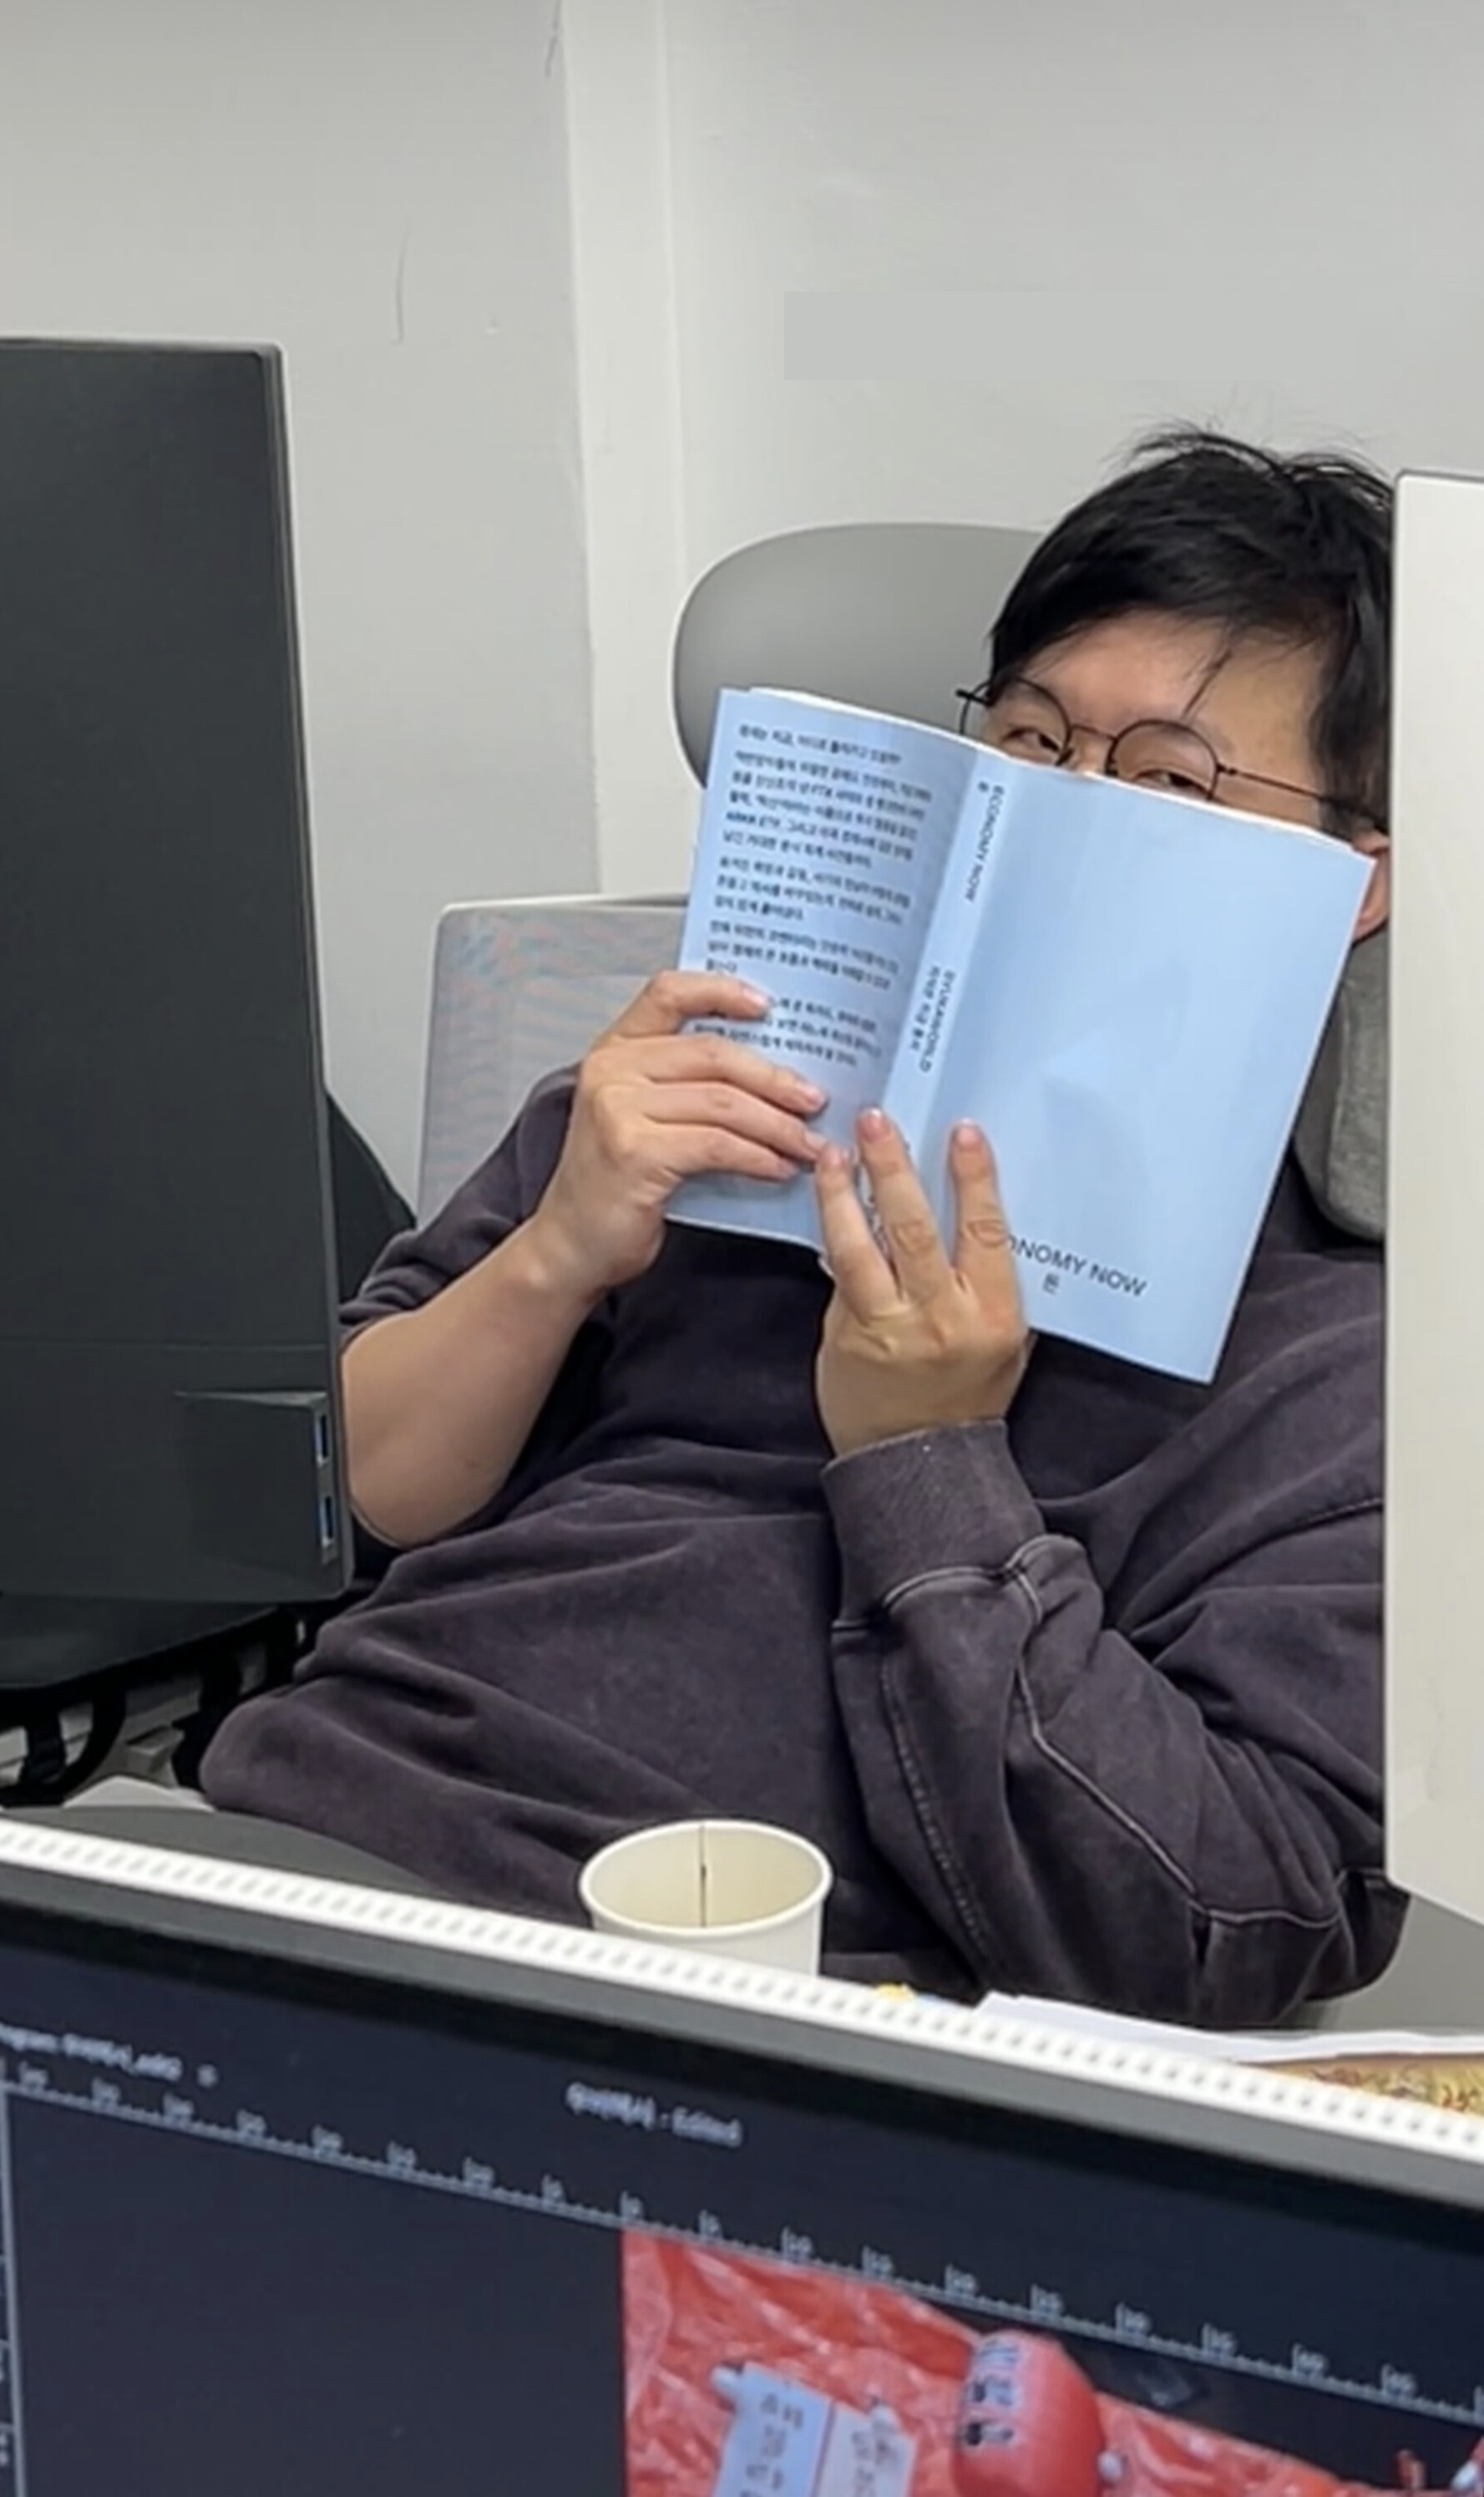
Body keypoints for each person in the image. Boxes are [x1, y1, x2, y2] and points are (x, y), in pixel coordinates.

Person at [202, 427, 1397, 2026]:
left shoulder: (1357, 1358)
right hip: (306, 1831)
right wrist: (555, 1252)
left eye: (1167, 779)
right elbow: (340, 1504)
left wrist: (926, 1459)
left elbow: (1228, 1918)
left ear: (1355, 881)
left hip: (707, 1999)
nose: (1064, 810)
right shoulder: (706, 1091)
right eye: (1031, 740)